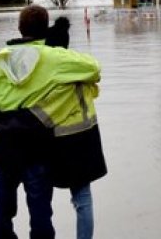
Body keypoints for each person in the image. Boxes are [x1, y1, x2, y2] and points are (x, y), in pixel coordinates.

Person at [0, 5, 101, 239]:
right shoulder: (56, 58)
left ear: (19, 28)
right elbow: (93, 70)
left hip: (2, 145)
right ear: (46, 28)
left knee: (2, 208)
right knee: (40, 210)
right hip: (37, 145)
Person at [43, 16, 108, 239]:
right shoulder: (82, 68)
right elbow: (95, 84)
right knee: (83, 197)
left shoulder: (45, 71)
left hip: (54, 138)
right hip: (85, 137)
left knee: (42, 195)